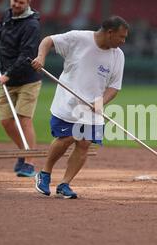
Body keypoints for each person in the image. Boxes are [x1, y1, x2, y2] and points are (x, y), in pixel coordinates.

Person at [31, 16, 129, 199]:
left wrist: (100, 103)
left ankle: (65, 184)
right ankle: (44, 173)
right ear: (109, 33)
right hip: (68, 102)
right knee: (66, 138)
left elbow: (114, 87)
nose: (123, 41)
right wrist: (41, 57)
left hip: (93, 107)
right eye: (121, 37)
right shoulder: (78, 38)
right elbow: (48, 40)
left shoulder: (118, 55)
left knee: (84, 143)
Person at [0, 0, 42, 177]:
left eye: (21, 2)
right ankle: (24, 152)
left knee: (24, 119)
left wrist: (8, 73)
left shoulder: (32, 25)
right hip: (8, 80)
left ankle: (30, 163)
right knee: (7, 121)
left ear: (28, 2)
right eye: (14, 1)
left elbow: (26, 55)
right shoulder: (8, 15)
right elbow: (0, 29)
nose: (16, 5)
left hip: (27, 80)